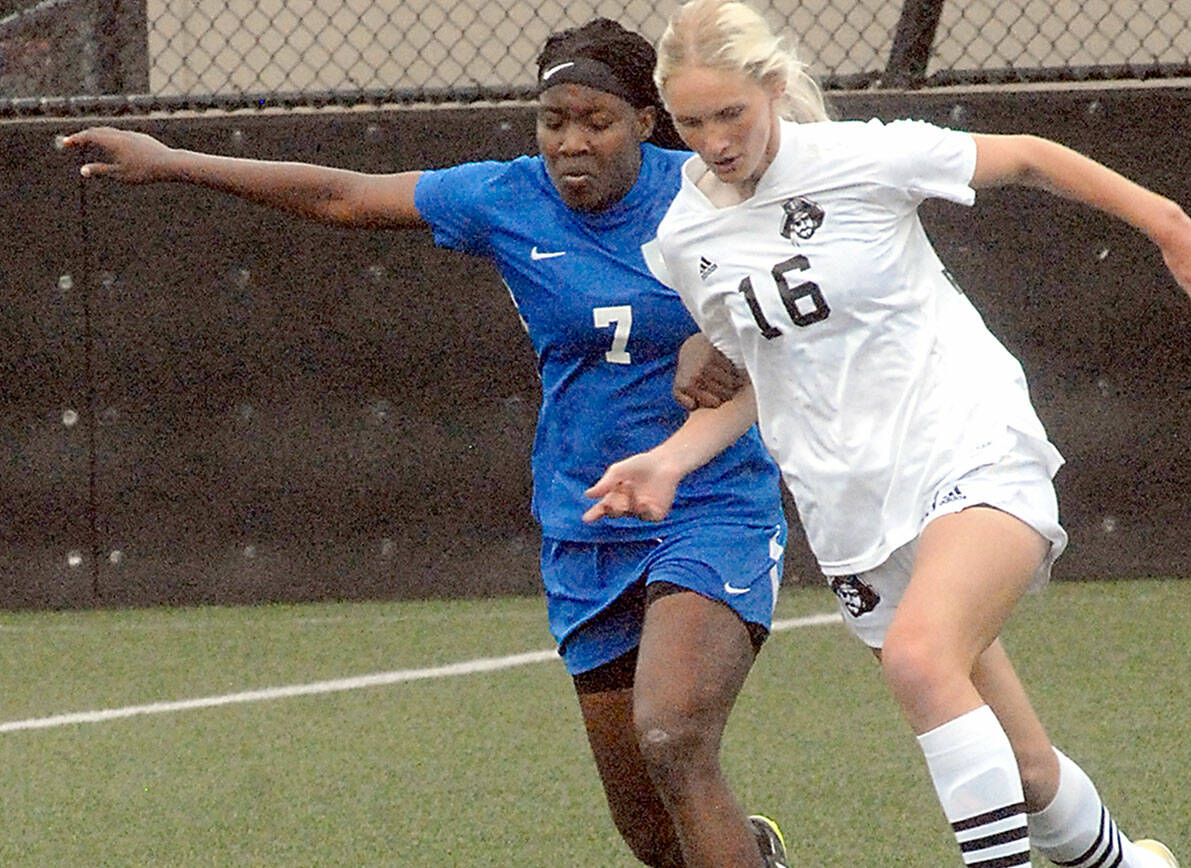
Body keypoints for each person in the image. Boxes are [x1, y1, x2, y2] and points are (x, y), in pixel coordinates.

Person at [62, 18, 792, 868]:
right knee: (651, 836)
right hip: (584, 519)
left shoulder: (713, 192)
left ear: (646, 118)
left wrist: (723, 335)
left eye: (596, 120)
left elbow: (806, 281)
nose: (571, 142)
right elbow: (346, 194)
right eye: (553, 120)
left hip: (708, 506)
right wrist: (173, 160)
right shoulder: (504, 198)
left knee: (671, 735)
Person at [583, 2, 1191, 867]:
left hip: (966, 448)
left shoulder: (862, 157)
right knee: (1024, 770)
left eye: (732, 115)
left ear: (775, 91)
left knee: (919, 657)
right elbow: (768, 374)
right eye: (691, 121)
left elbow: (1027, 158)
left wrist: (1170, 224)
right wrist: (671, 458)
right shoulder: (684, 237)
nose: (715, 140)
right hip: (851, 512)